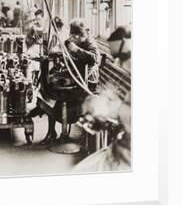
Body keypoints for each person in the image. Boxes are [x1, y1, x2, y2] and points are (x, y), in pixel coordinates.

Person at [32, 18, 100, 144]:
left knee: (59, 95)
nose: (74, 38)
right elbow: (58, 48)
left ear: (84, 33)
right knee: (47, 90)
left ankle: (83, 136)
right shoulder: (73, 39)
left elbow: (94, 59)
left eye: (77, 36)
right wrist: (56, 51)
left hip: (86, 82)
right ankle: (51, 132)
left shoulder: (90, 42)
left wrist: (75, 49)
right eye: (72, 35)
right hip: (73, 76)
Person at [73, 26, 131, 172]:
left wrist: (114, 109)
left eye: (121, 57)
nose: (117, 64)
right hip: (118, 152)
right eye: (115, 58)